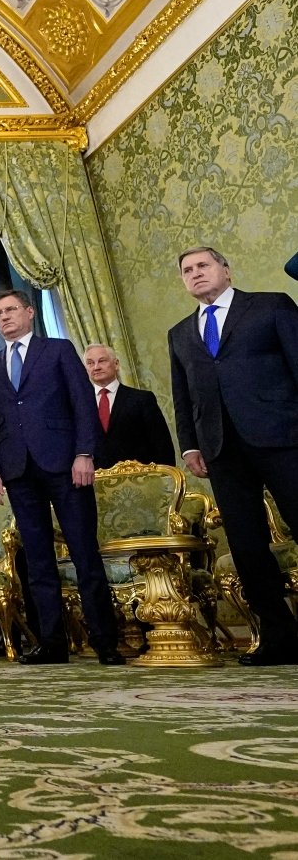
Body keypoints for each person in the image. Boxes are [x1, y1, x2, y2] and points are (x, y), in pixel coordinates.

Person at [0, 288, 123, 666]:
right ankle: (52, 643)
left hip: (65, 465)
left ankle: (105, 641)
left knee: (83, 553)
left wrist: (84, 454)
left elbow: (81, 404)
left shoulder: (58, 350)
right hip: (18, 470)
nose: (4, 317)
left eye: (11, 310)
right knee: (38, 562)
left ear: (29, 312)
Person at [170, 246, 298, 665]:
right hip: (221, 449)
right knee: (246, 545)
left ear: (226, 269)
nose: (195, 274)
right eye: (187, 270)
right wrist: (189, 444)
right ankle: (280, 637)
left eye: (203, 265)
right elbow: (183, 395)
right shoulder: (180, 333)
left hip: (282, 435)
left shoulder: (270, 306)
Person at [83, 344, 175, 468]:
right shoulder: (81, 405)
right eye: (90, 363)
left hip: (142, 479)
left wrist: (167, 478)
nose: (96, 367)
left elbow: (162, 444)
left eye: (102, 361)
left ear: (116, 364)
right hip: (97, 481)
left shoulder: (141, 399)